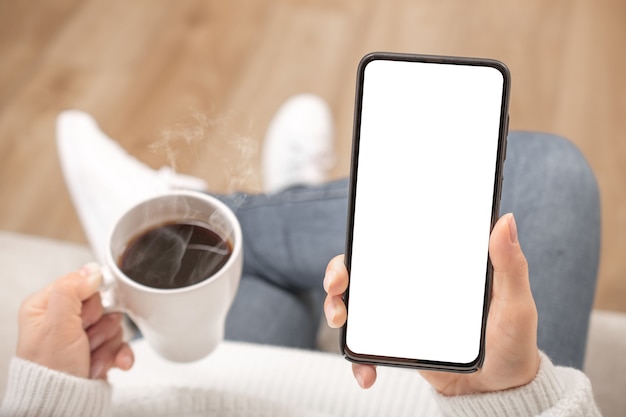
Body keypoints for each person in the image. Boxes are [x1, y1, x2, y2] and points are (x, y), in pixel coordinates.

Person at [0, 95, 602, 416]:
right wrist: (501, 398)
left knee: (258, 286)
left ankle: (217, 209)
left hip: (215, 391)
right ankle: (242, 207)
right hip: (383, 404)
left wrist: (51, 402)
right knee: (551, 172)